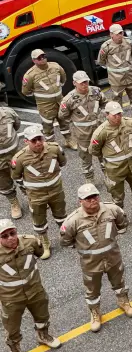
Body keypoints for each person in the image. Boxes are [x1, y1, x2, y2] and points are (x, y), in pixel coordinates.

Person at [60, 184, 132, 333]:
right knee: (92, 289)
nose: (92, 200)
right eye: (87, 198)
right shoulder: (72, 221)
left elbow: (122, 224)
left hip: (112, 256)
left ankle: (124, 301)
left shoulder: (112, 210)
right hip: (90, 262)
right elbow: (66, 242)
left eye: (94, 196)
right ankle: (95, 312)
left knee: (119, 281)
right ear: (80, 201)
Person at [0, 219, 60, 352]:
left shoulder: (31, 242)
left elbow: (39, 253)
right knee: (11, 327)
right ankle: (15, 350)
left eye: (12, 233)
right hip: (11, 298)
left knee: (42, 316)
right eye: (5, 236)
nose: (10, 238)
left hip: (35, 290)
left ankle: (43, 336)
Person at [90, 102, 132, 223]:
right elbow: (94, 150)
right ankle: (120, 218)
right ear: (107, 115)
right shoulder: (101, 132)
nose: (118, 117)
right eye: (114, 115)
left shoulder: (130, 123)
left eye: (119, 114)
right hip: (115, 169)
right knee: (117, 196)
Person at [11, 125, 67, 259]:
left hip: (56, 190)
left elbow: (63, 162)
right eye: (33, 140)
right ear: (26, 141)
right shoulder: (19, 158)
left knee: (61, 215)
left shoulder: (54, 149)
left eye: (39, 138)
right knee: (39, 220)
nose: (38, 143)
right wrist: (27, 191)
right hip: (36, 196)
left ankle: (66, 236)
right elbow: (16, 177)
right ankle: (44, 243)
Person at [57, 71, 106, 182]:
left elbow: (104, 103)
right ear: (75, 83)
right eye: (81, 83)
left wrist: (103, 114)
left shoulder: (96, 91)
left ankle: (108, 177)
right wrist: (75, 120)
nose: (84, 84)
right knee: (86, 159)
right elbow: (62, 115)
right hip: (83, 134)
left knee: (104, 155)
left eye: (86, 82)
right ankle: (90, 180)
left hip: (99, 131)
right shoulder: (69, 99)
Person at [21, 49, 67, 144]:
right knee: (48, 125)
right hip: (45, 105)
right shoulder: (30, 75)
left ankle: (69, 140)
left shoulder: (55, 66)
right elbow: (25, 91)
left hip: (60, 101)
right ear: (34, 60)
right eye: (39, 58)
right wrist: (40, 96)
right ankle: (51, 145)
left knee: (64, 121)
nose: (42, 59)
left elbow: (63, 79)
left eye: (43, 56)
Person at [98, 24, 132, 107]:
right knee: (116, 102)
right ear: (111, 34)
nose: (120, 36)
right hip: (116, 80)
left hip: (130, 77)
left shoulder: (128, 42)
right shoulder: (106, 47)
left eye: (121, 33)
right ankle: (119, 119)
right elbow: (101, 61)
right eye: (117, 34)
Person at [0, 107, 22, 219]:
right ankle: (14, 203)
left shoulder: (8, 113)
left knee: (25, 177)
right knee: (4, 184)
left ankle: (33, 198)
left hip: (15, 155)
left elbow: (17, 125)